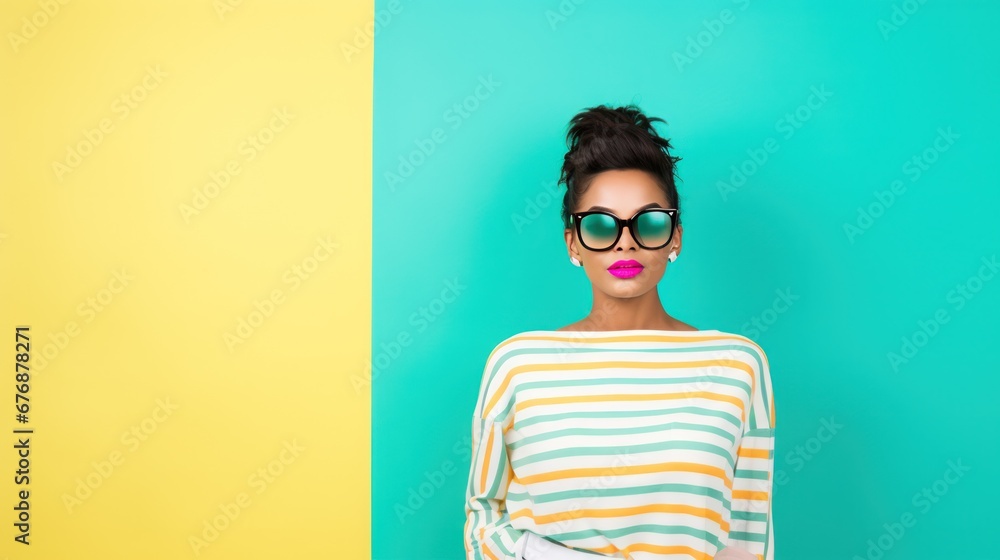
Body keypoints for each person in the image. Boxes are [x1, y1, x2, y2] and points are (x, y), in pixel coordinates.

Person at [463, 104, 775, 560]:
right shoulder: (518, 364)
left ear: (676, 238)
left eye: (648, 222)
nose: (625, 241)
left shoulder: (738, 365)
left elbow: (749, 536)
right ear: (574, 242)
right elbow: (483, 526)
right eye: (600, 225)